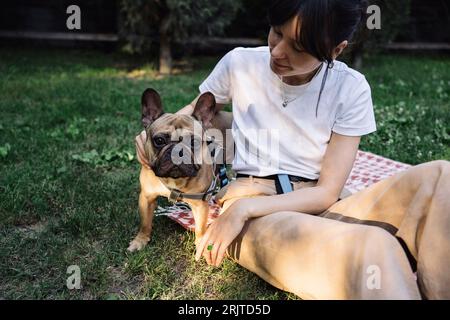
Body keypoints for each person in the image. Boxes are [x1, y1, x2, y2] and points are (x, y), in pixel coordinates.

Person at [135, 0, 450, 299]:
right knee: (371, 247)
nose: (278, 52)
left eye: (298, 47)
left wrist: (244, 210)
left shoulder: (351, 88)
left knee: (442, 177)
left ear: (335, 50)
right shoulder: (240, 63)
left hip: (321, 203)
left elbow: (328, 192)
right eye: (277, 32)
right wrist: (150, 138)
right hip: (257, 210)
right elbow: (188, 118)